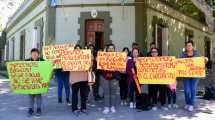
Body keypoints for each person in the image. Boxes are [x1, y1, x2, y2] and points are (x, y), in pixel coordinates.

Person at [180, 40, 200, 112]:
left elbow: (200, 63)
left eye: (190, 45)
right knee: (186, 90)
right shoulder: (183, 54)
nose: (188, 47)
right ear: (186, 47)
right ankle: (187, 103)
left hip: (195, 75)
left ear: (193, 46)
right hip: (186, 75)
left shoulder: (197, 54)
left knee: (193, 89)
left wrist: (205, 60)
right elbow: (179, 63)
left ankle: (191, 104)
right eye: (187, 45)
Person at [69, 44, 89, 115]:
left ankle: (83, 108)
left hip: (83, 78)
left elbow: (90, 66)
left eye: (79, 48)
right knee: (74, 95)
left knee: (83, 94)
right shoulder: (70, 57)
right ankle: (74, 108)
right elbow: (66, 65)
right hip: (74, 79)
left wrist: (91, 59)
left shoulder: (85, 56)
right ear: (74, 50)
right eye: (76, 48)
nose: (78, 50)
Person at [100, 43, 119, 114]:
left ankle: (112, 106)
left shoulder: (117, 57)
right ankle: (106, 107)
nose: (111, 49)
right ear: (107, 49)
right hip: (104, 77)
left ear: (114, 49)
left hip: (114, 77)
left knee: (113, 92)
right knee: (106, 92)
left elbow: (121, 67)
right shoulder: (102, 56)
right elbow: (99, 67)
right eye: (109, 48)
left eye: (112, 48)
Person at [26, 48, 44, 117]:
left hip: (39, 82)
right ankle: (30, 109)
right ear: (31, 55)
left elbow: (48, 67)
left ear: (38, 55)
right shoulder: (27, 61)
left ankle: (39, 109)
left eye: (36, 54)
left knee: (38, 96)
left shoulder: (42, 61)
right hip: (30, 83)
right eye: (33, 54)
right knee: (30, 97)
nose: (34, 55)